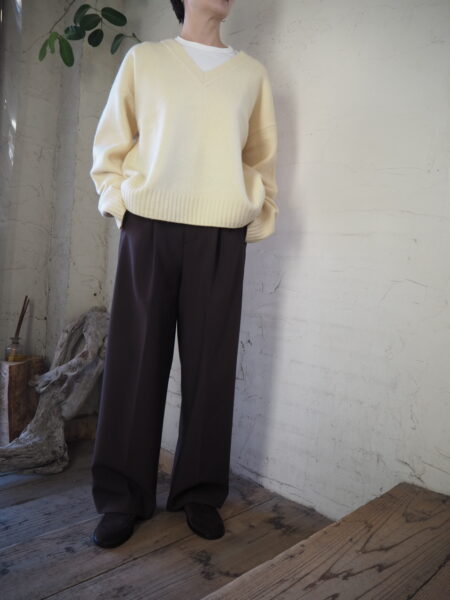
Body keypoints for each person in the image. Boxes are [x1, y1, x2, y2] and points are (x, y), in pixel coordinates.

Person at [89, 0, 279, 548]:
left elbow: (261, 159)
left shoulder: (251, 75)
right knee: (134, 364)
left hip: (220, 234)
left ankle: (199, 492)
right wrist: (121, 205)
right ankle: (123, 496)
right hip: (149, 227)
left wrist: (252, 215)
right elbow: (110, 144)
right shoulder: (145, 61)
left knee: (211, 367)